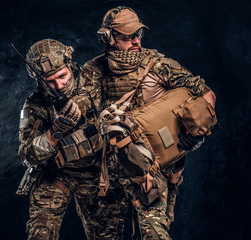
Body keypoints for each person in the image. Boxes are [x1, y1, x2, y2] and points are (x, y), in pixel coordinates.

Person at [83, 6, 216, 239]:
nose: (135, 41)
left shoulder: (157, 64)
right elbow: (82, 114)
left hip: (150, 169)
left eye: (138, 34)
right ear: (108, 38)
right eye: (127, 36)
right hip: (108, 171)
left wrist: (197, 132)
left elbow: (206, 94)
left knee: (154, 234)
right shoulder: (93, 71)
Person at [17, 39, 129, 240]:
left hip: (97, 172)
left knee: (107, 236)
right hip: (57, 173)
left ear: (70, 65)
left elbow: (129, 60)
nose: (59, 85)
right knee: (40, 234)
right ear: (38, 79)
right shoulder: (32, 106)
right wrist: (55, 132)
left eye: (62, 76)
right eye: (49, 81)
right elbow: (26, 156)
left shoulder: (93, 76)